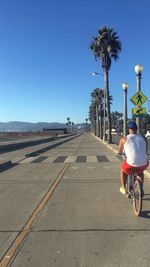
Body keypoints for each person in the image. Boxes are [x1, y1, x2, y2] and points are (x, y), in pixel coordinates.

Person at [118, 121, 149, 195]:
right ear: (136, 129)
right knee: (140, 172)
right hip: (144, 164)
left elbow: (119, 152)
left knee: (123, 170)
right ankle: (141, 188)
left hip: (130, 165)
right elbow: (145, 150)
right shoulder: (143, 138)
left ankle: (123, 188)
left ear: (128, 129)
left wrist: (121, 153)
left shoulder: (123, 139)